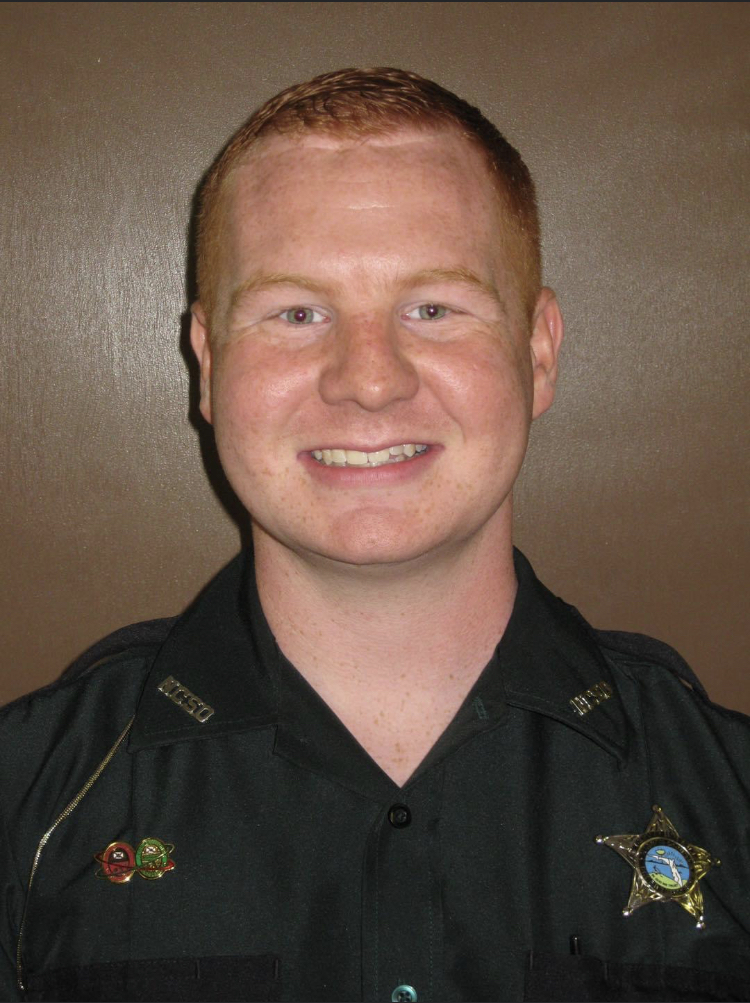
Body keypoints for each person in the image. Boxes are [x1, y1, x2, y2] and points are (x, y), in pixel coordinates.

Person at [1, 68, 748, 1003]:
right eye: (296, 312)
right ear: (207, 361)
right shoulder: (27, 802)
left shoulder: (730, 796)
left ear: (539, 350)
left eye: (432, 308)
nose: (368, 379)